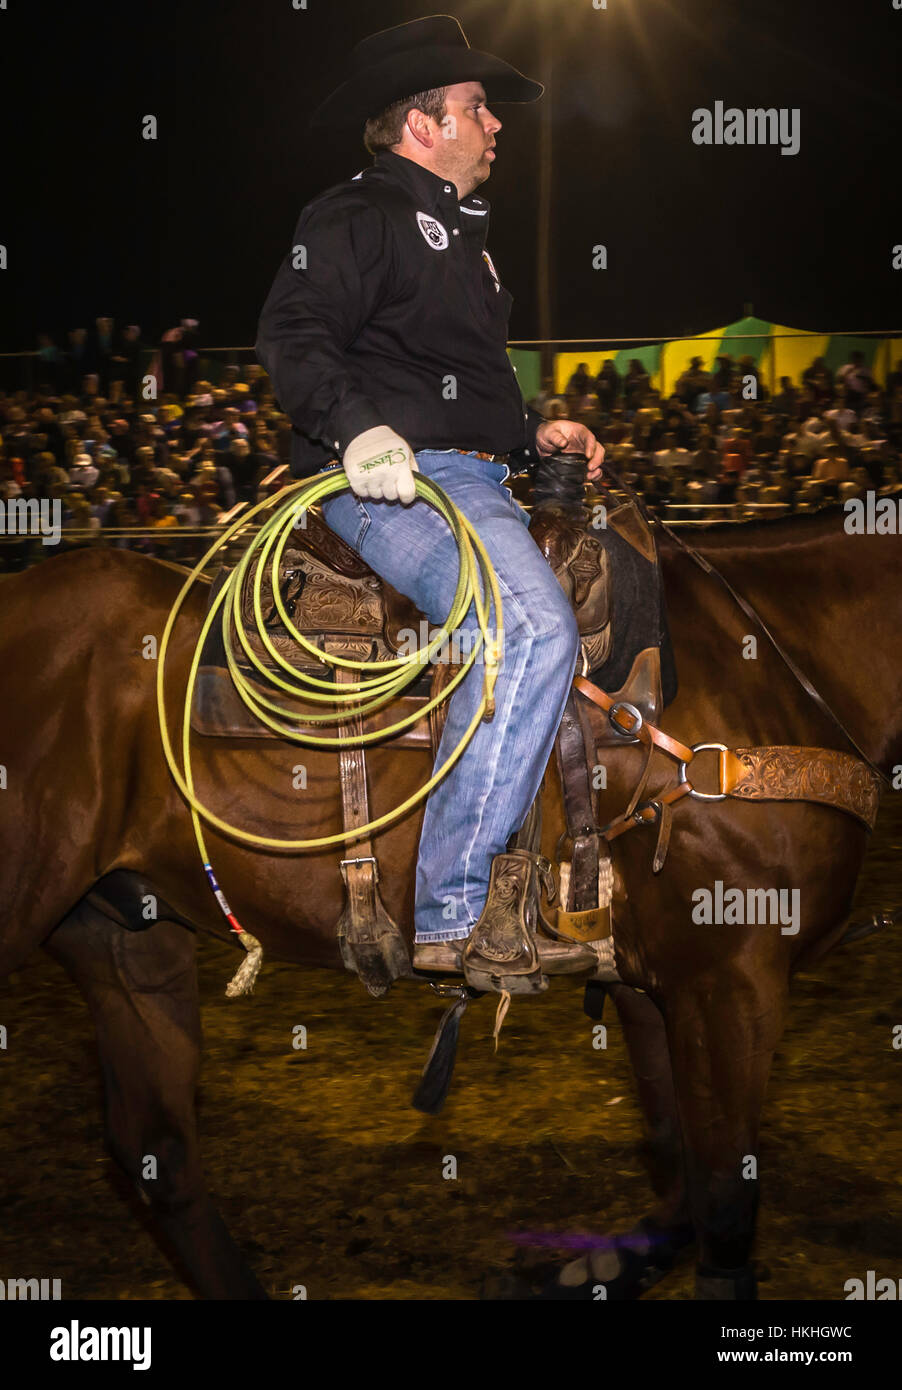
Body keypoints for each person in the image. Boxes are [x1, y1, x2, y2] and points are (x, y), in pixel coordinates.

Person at [255, 15, 604, 994]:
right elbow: (293, 335)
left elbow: (449, 376)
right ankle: (457, 915)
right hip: (393, 482)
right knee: (525, 626)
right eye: (475, 106)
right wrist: (357, 429)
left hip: (470, 471)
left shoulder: (470, 245)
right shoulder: (355, 216)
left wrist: (530, 430)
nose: (493, 123)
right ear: (420, 123)